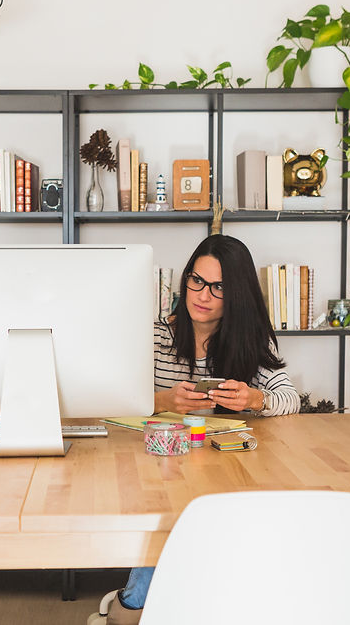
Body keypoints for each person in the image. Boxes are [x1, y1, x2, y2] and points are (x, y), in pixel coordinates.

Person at [101, 234, 300, 625]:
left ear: (236, 294)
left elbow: (289, 397)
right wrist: (162, 402)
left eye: (218, 286)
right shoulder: (156, 336)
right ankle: (136, 606)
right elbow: (109, 396)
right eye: (196, 280)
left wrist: (253, 399)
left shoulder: (248, 343)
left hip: (226, 479)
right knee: (167, 536)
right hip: (159, 474)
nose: (202, 294)